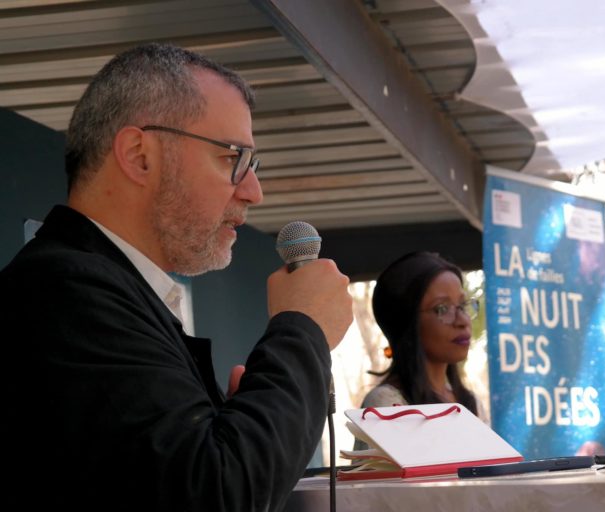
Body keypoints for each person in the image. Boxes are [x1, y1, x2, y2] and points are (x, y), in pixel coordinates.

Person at [0, 43, 353, 512]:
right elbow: (216, 494)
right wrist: (302, 329)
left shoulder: (96, 288)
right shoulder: (62, 291)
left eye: (252, 165)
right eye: (233, 158)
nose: (254, 191)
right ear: (139, 156)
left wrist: (246, 422)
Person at [360, 251, 481, 415]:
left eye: (463, 304)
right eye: (442, 309)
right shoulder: (387, 404)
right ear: (407, 321)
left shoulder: (470, 402)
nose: (463, 321)